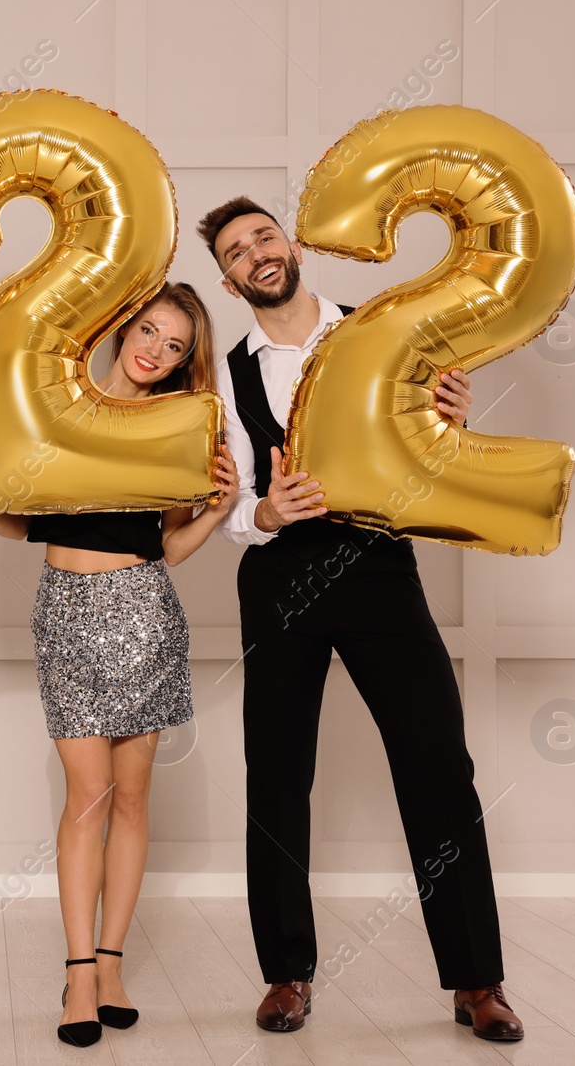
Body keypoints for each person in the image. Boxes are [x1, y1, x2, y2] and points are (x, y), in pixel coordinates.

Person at [196, 196, 523, 1041]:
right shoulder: (223, 376)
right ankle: (285, 974)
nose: (257, 254)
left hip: (377, 568)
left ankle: (476, 980)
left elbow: (431, 454)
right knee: (275, 780)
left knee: (438, 766)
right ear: (228, 279)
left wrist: (449, 417)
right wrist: (263, 515)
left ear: (294, 243)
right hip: (278, 578)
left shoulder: (383, 333)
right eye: (237, 251)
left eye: (264, 236)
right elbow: (224, 496)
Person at [0, 283, 237, 1048]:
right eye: (149, 331)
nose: (156, 351)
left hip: (144, 610)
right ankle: (78, 970)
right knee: (88, 795)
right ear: (123, 326)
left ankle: (110, 963)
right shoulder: (61, 410)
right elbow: (24, 514)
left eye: (175, 346)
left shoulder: (173, 428)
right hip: (65, 610)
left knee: (133, 800)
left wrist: (213, 509)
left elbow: (167, 545)